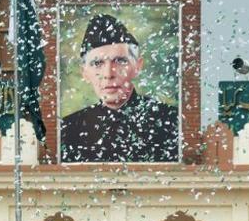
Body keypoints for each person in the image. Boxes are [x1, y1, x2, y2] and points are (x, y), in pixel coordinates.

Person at [60, 14, 179, 162]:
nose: (108, 74)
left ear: (137, 66)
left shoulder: (173, 122)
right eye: (97, 63)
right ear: (84, 72)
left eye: (120, 61)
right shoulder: (67, 130)